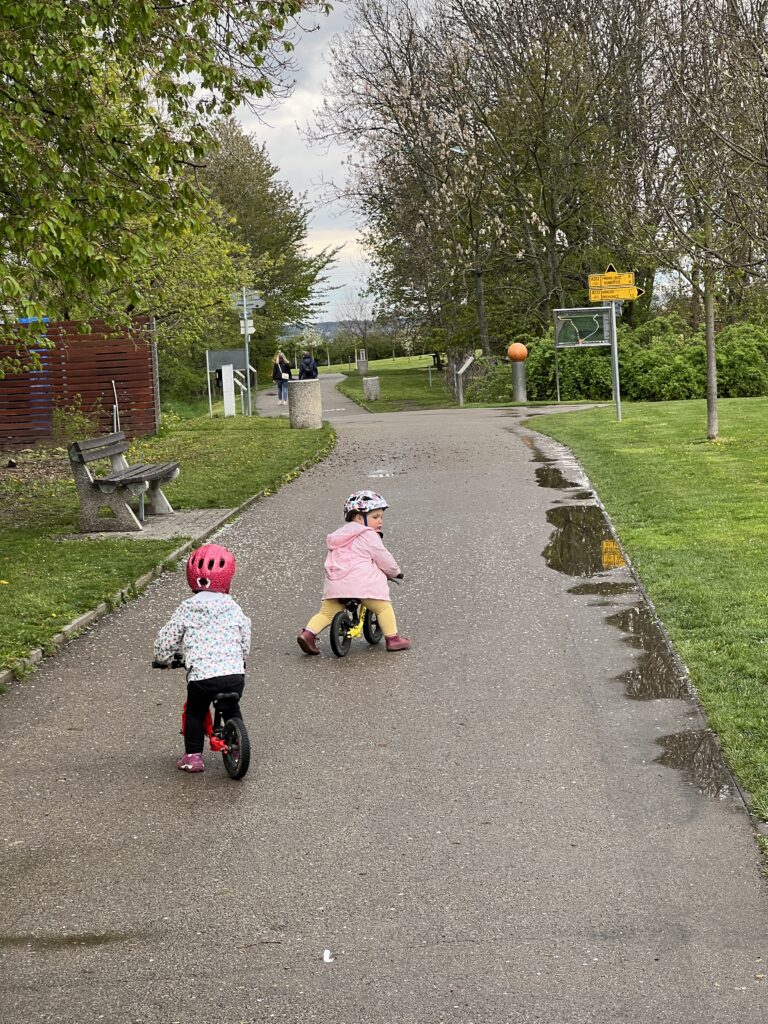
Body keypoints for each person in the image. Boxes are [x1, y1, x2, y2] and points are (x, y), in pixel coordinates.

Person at [154, 543, 251, 773]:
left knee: (195, 712)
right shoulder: (233, 607)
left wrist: (163, 658)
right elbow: (245, 632)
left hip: (202, 677)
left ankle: (193, 757)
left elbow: (168, 638)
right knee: (232, 706)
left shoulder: (187, 608)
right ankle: (238, 742)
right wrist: (241, 656)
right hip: (234, 674)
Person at [297, 490, 411, 655]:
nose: (380, 521)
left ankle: (308, 634)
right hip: (363, 584)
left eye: (381, 517)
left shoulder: (338, 536)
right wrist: (395, 572)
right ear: (358, 518)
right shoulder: (368, 535)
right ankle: (393, 639)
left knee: (327, 613)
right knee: (383, 608)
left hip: (336, 584)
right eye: (375, 517)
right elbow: (383, 558)